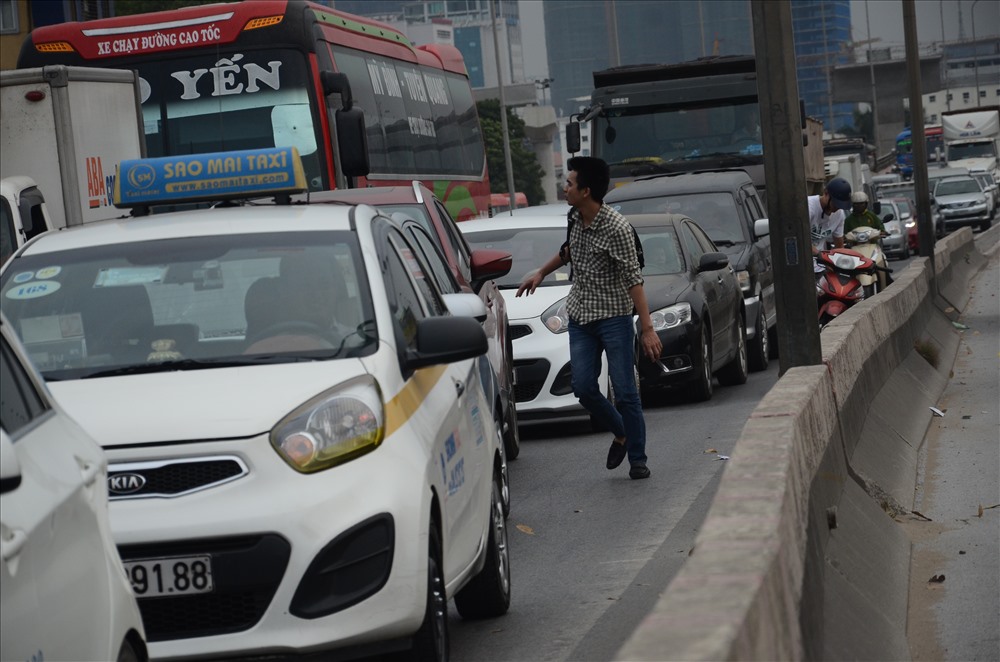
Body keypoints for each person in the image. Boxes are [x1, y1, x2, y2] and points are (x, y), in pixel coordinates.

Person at [516, 157, 662, 480]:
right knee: (583, 386)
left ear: (586, 190)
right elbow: (569, 249)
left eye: (569, 184)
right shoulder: (574, 216)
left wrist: (647, 328)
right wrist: (540, 272)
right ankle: (621, 432)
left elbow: (634, 281)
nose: (564, 188)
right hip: (581, 317)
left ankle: (637, 458)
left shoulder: (617, 228)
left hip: (614, 318)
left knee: (625, 390)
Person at [808, 177, 852, 256]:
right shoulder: (808, 208)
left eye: (840, 205)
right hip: (803, 262)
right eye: (835, 204)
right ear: (826, 193)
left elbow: (839, 246)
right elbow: (800, 241)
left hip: (819, 264)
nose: (837, 208)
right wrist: (820, 255)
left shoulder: (839, 214)